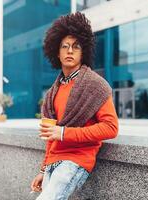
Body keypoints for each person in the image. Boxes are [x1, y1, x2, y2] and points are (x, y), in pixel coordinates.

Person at [30, 12, 119, 200]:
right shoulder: (52, 93)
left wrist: (64, 133)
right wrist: (43, 169)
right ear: (57, 51)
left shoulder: (96, 85)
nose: (70, 51)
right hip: (53, 163)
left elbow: (111, 127)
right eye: (65, 46)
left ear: (83, 51)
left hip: (76, 160)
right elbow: (50, 137)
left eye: (76, 46)